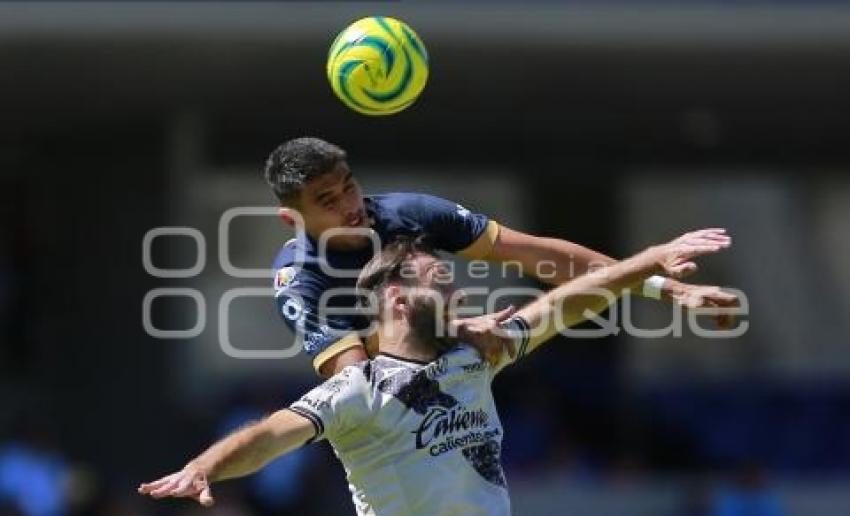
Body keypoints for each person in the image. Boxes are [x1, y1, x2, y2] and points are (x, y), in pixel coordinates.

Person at [140, 228, 731, 516]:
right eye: (441, 284)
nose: (459, 298)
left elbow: (570, 301)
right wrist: (206, 466)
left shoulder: (477, 357)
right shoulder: (356, 392)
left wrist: (649, 269)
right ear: (397, 299)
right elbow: (270, 434)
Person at [266, 137, 736, 377]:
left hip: (465, 385)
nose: (350, 205)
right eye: (328, 200)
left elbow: (536, 255)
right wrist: (454, 329)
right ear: (293, 219)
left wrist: (665, 288)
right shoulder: (298, 281)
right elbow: (354, 383)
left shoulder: (407, 212)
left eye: (349, 185)